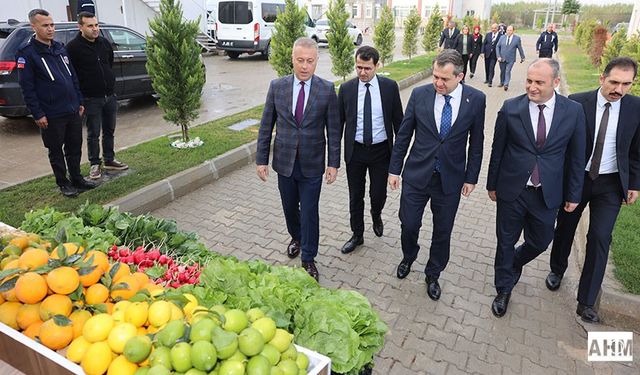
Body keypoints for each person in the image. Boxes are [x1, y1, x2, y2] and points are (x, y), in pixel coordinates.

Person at [486, 58, 586, 318]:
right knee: (505, 242)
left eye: (539, 82)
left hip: (547, 192)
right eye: (529, 81)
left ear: (555, 82)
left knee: (541, 241)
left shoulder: (573, 111)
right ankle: (504, 288)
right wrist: (492, 184)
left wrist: (574, 194)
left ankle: (515, 263)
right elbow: (498, 150)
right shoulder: (510, 108)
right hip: (512, 190)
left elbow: (576, 157)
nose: (531, 87)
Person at [546, 57, 640, 323]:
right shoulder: (577, 101)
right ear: (602, 78)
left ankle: (586, 301)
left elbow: (636, 152)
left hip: (610, 184)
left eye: (626, 84)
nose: (619, 89)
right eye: (614, 82)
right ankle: (557, 269)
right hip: (577, 178)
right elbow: (561, 144)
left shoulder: (635, 108)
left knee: (600, 236)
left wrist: (634, 183)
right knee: (565, 226)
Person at [389, 49, 485, 301]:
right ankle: (408, 256)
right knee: (408, 223)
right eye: (435, 77)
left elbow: (476, 142)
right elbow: (404, 134)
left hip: (450, 179)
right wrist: (394, 169)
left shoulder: (476, 99)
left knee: (443, 231)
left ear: (460, 76)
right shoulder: (420, 94)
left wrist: (471, 177)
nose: (438, 83)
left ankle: (433, 273)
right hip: (417, 174)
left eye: (445, 79)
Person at [255, 37, 341, 282]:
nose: (305, 66)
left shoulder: (326, 89)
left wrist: (333, 163)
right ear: (292, 59)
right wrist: (261, 159)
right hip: (284, 162)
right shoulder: (277, 87)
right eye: (300, 60)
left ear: (316, 61)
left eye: (310, 61)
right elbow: (265, 126)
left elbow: (333, 131)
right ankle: (297, 237)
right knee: (290, 208)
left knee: (310, 211)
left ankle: (309, 258)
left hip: (313, 164)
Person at [16, 9, 97, 197]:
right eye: (45, 25)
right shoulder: (27, 54)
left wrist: (79, 100)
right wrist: (38, 113)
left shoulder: (59, 48)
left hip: (72, 108)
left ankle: (77, 178)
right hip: (51, 113)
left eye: (52, 24)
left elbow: (72, 76)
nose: (50, 29)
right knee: (55, 150)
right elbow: (27, 88)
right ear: (33, 26)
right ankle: (63, 183)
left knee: (74, 146)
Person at [338, 46, 404, 255]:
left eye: (367, 68)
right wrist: (333, 158)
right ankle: (357, 234)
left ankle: (376, 213)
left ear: (377, 65)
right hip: (355, 151)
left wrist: (398, 159)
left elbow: (398, 123)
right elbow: (338, 123)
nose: (362, 72)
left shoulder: (389, 87)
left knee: (378, 194)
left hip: (380, 152)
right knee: (355, 196)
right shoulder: (346, 89)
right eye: (359, 67)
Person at [66, 12, 129, 180]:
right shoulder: (73, 48)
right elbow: (72, 75)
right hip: (91, 98)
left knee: (109, 130)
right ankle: (95, 164)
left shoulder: (104, 42)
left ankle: (109, 159)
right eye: (90, 26)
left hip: (109, 95)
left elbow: (109, 62)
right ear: (80, 27)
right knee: (93, 133)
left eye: (96, 25)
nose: (95, 29)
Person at [496, 25, 525, 91]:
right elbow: (497, 46)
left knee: (507, 71)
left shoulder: (517, 39)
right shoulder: (502, 37)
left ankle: (506, 84)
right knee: (502, 71)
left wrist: (522, 57)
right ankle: (502, 82)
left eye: (510, 30)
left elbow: (520, 48)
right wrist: (498, 56)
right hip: (502, 58)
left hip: (511, 59)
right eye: (508, 30)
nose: (508, 32)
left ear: (513, 31)